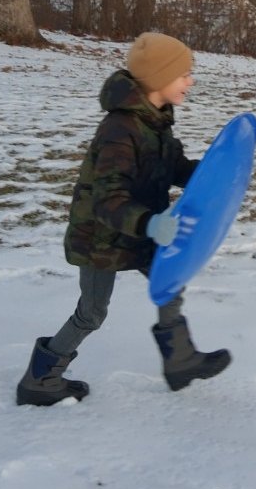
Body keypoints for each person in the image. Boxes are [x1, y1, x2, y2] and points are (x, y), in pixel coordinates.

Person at [16, 31, 231, 404]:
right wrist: (150, 224)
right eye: (183, 74)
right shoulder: (119, 130)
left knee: (170, 281)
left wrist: (215, 173)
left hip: (139, 228)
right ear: (159, 78)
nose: (190, 81)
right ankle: (39, 379)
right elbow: (107, 200)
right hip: (100, 238)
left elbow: (174, 167)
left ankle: (180, 361)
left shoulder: (156, 121)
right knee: (92, 313)